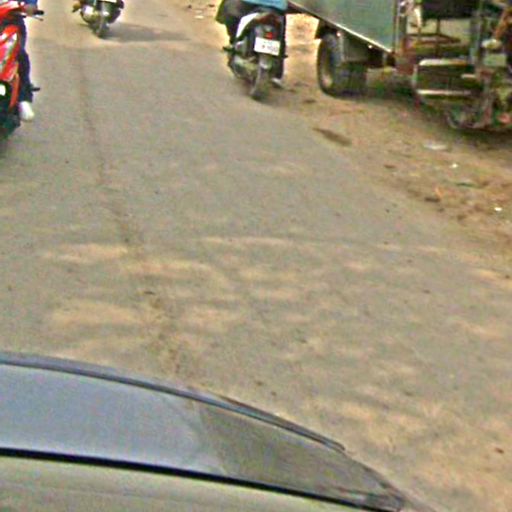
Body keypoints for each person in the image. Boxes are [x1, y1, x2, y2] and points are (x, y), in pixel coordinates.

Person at [15, 0, 39, 122]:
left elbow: (30, 4)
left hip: (10, 23)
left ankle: (23, 98)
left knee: (20, 56)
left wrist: (31, 5)